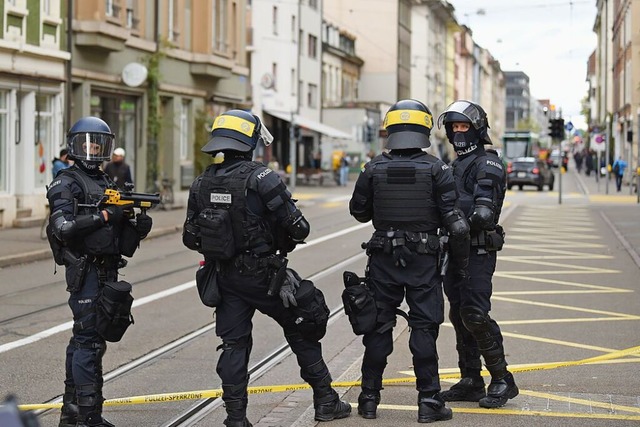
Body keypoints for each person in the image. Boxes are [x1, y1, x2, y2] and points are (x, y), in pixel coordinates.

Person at [182, 109, 351, 427]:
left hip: (224, 277)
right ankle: (326, 400)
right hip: (264, 276)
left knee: (233, 344)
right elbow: (300, 229)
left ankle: (235, 418)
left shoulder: (202, 182)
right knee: (303, 324)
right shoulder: (262, 178)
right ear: (250, 142)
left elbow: (190, 238)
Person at [349, 99, 471, 423]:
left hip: (383, 261)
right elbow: (455, 223)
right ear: (424, 129)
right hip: (423, 262)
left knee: (378, 330)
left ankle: (368, 399)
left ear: (391, 130)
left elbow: (358, 212)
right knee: (424, 330)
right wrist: (460, 267)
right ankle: (429, 402)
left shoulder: (373, 168)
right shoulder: (437, 169)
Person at [46, 117, 153, 427]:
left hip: (108, 270)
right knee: (88, 343)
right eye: (87, 143)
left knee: (90, 340)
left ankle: (72, 413)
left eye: (97, 144)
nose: (92, 149)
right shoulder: (65, 182)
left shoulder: (108, 182)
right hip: (85, 271)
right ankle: (90, 417)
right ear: (75, 146)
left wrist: (137, 227)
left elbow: (122, 242)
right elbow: (64, 228)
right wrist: (105, 215)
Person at [436, 100, 518, 409]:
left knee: (475, 314)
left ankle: (502, 379)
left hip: (478, 250)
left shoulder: (488, 163)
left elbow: (483, 214)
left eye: (463, 127)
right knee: (458, 316)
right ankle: (471, 379)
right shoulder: (456, 164)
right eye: (453, 127)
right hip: (453, 251)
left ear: (477, 129)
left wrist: (452, 218)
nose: (458, 133)